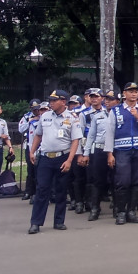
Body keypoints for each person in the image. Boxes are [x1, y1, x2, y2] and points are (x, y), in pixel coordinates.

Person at [27, 90, 82, 234]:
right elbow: (38, 135)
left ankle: (59, 221)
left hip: (62, 157)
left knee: (61, 190)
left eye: (54, 100)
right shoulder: (44, 116)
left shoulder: (72, 118)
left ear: (63, 102)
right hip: (45, 157)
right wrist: (32, 151)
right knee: (42, 190)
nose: (51, 103)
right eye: (50, 100)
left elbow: (75, 140)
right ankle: (36, 223)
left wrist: (70, 160)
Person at [106, 82, 138, 224]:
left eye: (136, 91)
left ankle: (131, 211)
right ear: (124, 93)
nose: (134, 94)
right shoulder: (116, 110)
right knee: (123, 181)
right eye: (131, 91)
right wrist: (109, 153)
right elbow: (109, 133)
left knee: (137, 181)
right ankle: (121, 211)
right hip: (122, 150)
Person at [78, 89, 110, 221]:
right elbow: (87, 135)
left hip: (113, 150)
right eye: (92, 97)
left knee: (114, 178)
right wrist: (84, 153)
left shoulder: (113, 114)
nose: (94, 99)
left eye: (96, 96)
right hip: (96, 149)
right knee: (95, 179)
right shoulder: (86, 114)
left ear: (102, 98)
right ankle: (94, 207)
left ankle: (117, 207)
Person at [18, 100, 42, 201]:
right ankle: (29, 191)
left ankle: (37, 192)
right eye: (34, 109)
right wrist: (30, 121)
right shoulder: (27, 116)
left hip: (41, 146)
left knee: (39, 170)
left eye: (38, 109)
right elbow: (21, 129)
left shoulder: (45, 116)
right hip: (30, 145)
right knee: (30, 169)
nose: (36, 111)